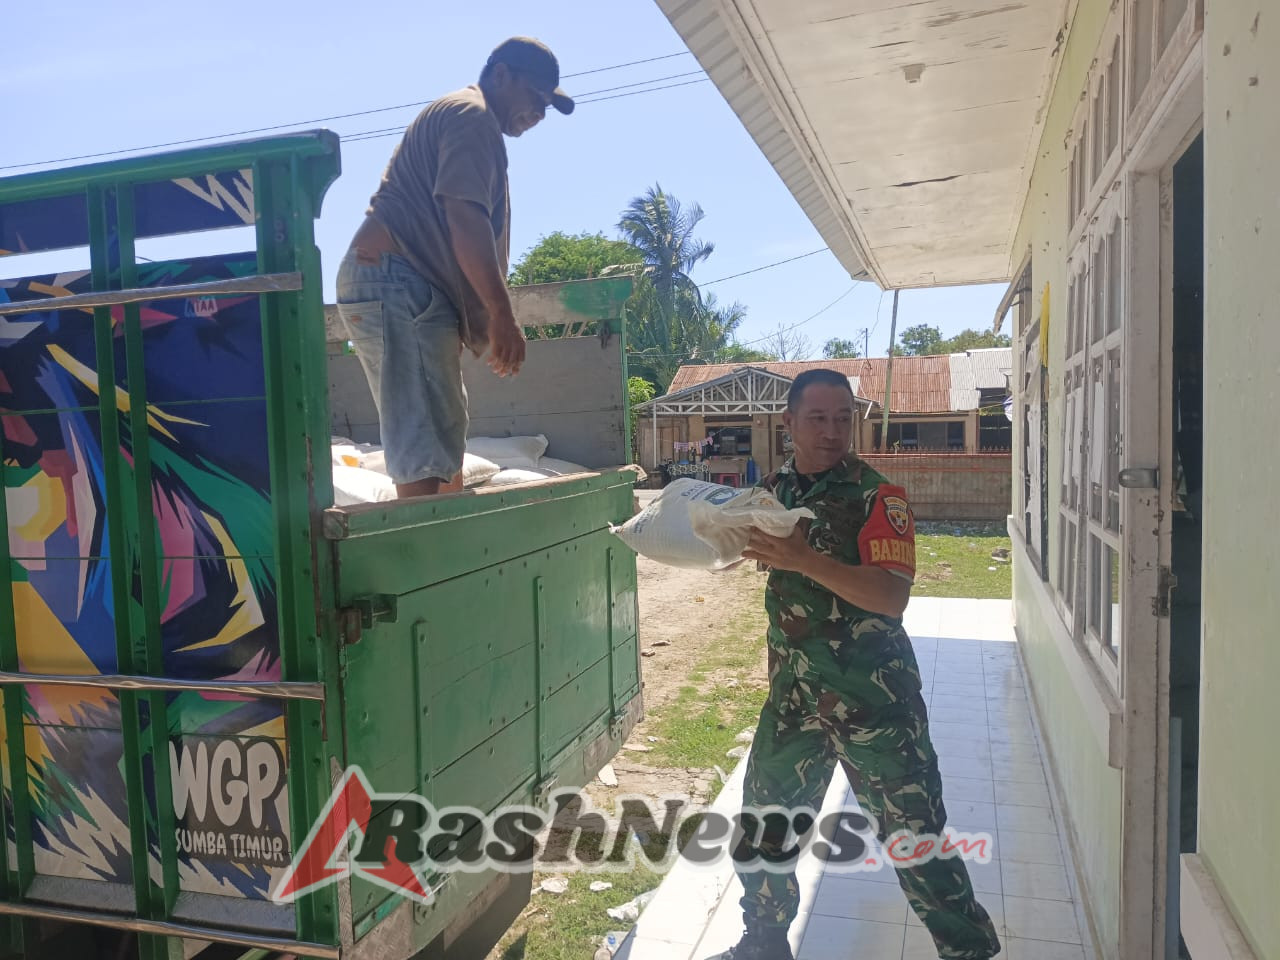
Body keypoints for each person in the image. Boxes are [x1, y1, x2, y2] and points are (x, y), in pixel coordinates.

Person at [715, 368, 1002, 960]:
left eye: (842, 418)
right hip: (795, 698)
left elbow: (891, 597)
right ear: (788, 423)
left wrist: (803, 558)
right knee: (765, 825)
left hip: (875, 705)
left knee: (915, 840)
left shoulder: (879, 496)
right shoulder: (775, 491)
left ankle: (968, 950)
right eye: (817, 418)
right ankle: (764, 942)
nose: (831, 431)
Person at [334, 37, 574, 498]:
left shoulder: (468, 118)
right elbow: (464, 218)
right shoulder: (473, 116)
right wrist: (501, 314)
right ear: (501, 75)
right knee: (425, 436)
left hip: (400, 284)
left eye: (548, 106)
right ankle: (429, 561)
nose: (539, 114)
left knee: (441, 423)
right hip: (397, 279)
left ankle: (450, 546)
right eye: (536, 98)